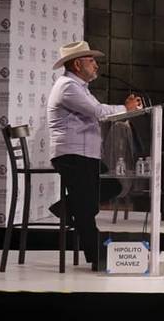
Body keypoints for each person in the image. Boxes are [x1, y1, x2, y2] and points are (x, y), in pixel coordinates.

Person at [47, 41, 142, 269]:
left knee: (112, 187)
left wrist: (125, 110)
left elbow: (100, 113)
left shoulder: (80, 87)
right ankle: (96, 256)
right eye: (91, 61)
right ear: (77, 64)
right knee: (86, 207)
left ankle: (65, 207)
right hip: (72, 155)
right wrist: (126, 109)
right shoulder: (68, 87)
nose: (96, 65)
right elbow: (99, 112)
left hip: (85, 155)